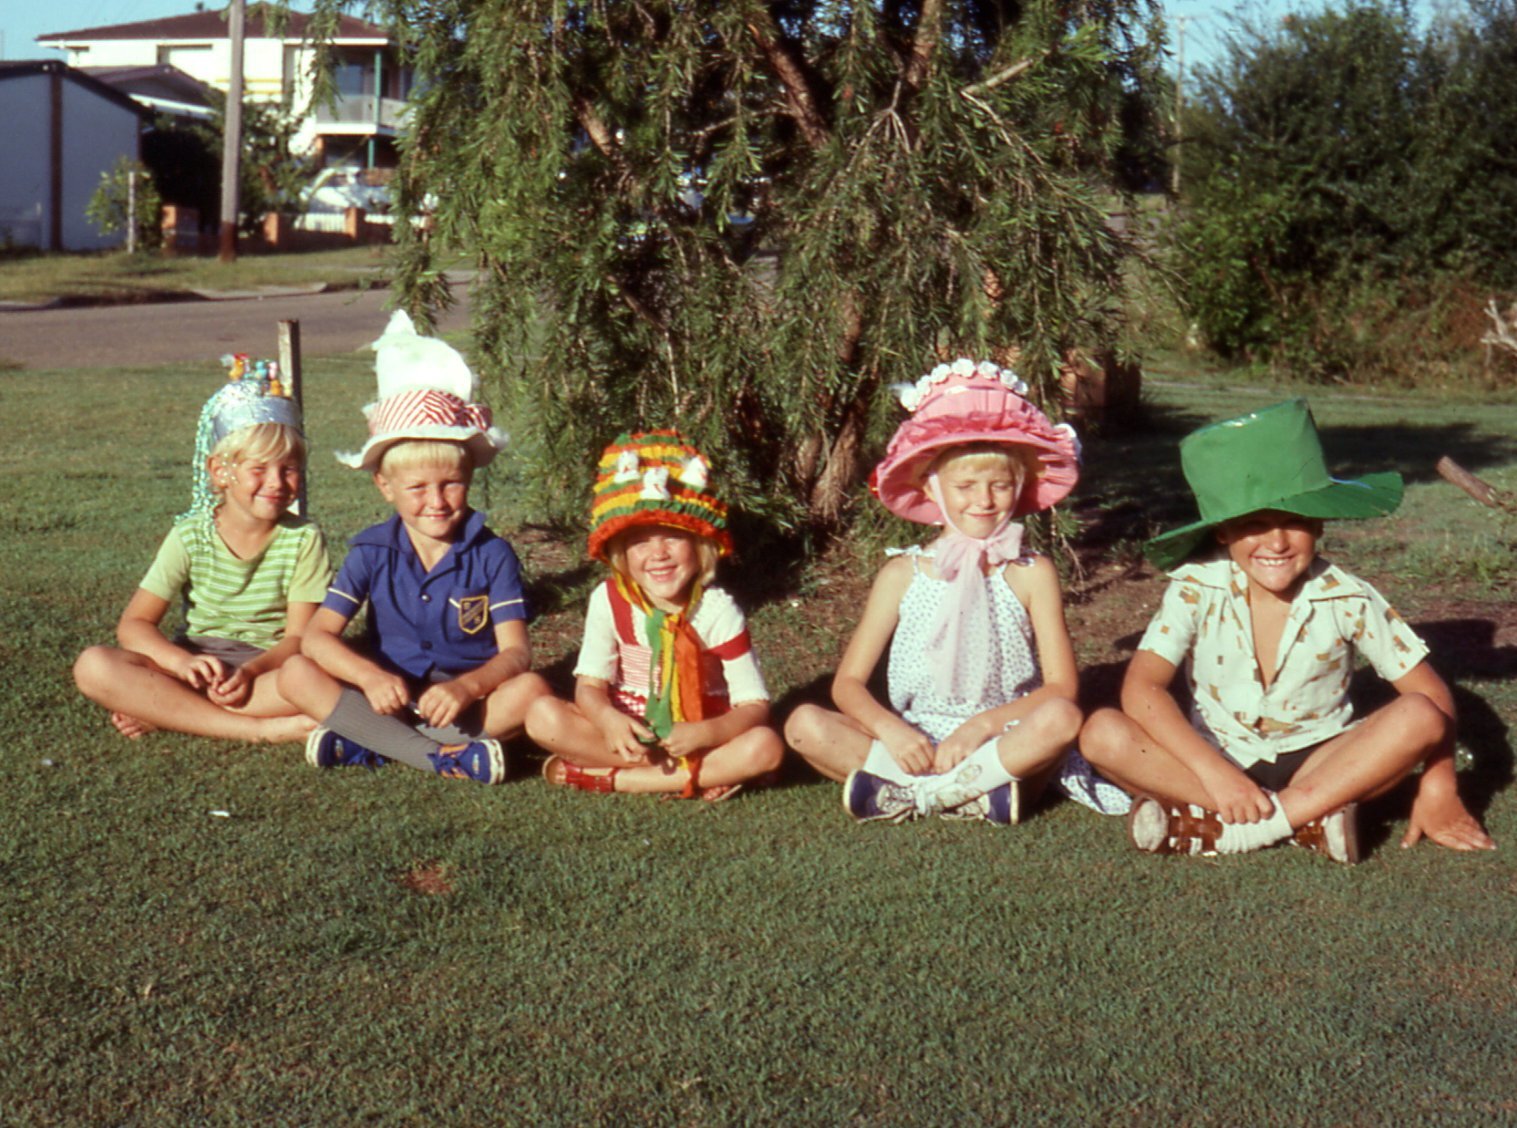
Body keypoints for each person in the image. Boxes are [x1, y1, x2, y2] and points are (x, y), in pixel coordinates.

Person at [1079, 398, 1496, 861]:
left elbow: (1431, 696)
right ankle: (1305, 823)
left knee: (1419, 714)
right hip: (1215, 755)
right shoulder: (1196, 587)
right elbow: (1142, 688)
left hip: (1318, 762)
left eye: (1294, 523)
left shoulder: (1348, 596)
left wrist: (1438, 787)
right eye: (1255, 525)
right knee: (1102, 732)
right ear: (1222, 532)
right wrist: (1216, 772)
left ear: (1319, 523)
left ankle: (1234, 827)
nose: (1276, 542)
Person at [784, 358, 1087, 824]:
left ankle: (914, 794)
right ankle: (967, 795)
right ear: (931, 487)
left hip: (999, 736)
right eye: (965, 486)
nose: (983, 501)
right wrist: (892, 731)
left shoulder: (1031, 572)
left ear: (1020, 485)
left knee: (1063, 719)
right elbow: (847, 684)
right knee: (804, 725)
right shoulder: (903, 573)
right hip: (916, 739)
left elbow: (1061, 686)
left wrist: (980, 728)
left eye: (1000, 485)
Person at [277, 311, 550, 784]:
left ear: (469, 479)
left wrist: (468, 687)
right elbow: (317, 636)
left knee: (530, 690)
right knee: (295, 672)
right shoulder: (371, 550)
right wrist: (368, 678)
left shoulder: (492, 553)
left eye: (451, 484)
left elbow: (516, 653)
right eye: (417, 488)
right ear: (385, 486)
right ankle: (445, 758)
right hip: (390, 698)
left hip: (466, 704)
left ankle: (371, 741)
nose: (436, 502)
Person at [73, 360, 332, 744]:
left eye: (289, 469)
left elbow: (297, 639)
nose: (276, 483)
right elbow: (134, 625)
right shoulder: (191, 535)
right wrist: (182, 662)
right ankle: (259, 730)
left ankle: (170, 711)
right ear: (219, 471)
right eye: (258, 469)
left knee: (315, 679)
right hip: (194, 667)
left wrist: (249, 672)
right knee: (93, 666)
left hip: (266, 671)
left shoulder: (303, 539)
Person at [526, 429, 783, 799]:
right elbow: (590, 685)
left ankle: (611, 778)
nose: (658, 553)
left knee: (765, 746)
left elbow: (754, 705)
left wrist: (704, 734)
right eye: (640, 541)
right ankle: (697, 776)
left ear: (700, 546)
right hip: (631, 730)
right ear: (620, 554)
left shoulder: (716, 610)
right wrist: (608, 720)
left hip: (700, 730)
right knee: (542, 716)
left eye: (672, 537)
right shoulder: (609, 599)